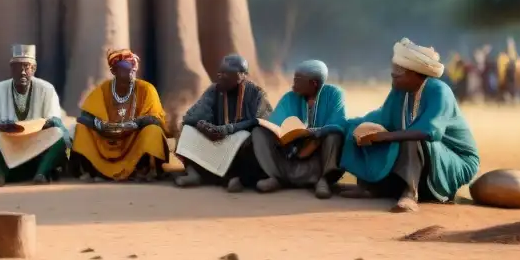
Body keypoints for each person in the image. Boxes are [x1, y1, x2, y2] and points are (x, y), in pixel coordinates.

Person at [340, 38, 480, 213]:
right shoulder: (400, 92)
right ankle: (369, 185)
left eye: (399, 70)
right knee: (364, 129)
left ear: (415, 73)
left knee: (411, 136)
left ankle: (409, 193)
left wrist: (386, 136)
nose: (393, 74)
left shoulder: (440, 91)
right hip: (421, 153)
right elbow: (382, 118)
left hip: (456, 160)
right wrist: (352, 126)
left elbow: (429, 131)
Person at [174, 54, 272, 192]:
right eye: (220, 73)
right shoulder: (214, 90)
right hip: (216, 138)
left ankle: (237, 178)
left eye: (227, 74)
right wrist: (203, 125)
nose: (221, 76)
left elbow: (263, 121)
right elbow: (192, 116)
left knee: (257, 137)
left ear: (242, 75)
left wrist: (230, 129)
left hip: (241, 141)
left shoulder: (256, 94)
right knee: (186, 130)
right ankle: (194, 174)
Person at [250, 60, 347, 199]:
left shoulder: (334, 94)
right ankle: (276, 177)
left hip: (318, 156)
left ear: (313, 83)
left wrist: (313, 132)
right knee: (259, 132)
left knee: (334, 135)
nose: (293, 83)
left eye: (298, 80)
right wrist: (282, 133)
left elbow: (339, 123)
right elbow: (276, 123)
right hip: (290, 154)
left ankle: (324, 181)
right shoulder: (289, 97)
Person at [0, 44, 70, 185]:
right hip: (8, 142)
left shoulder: (46, 89)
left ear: (34, 69)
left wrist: (36, 125)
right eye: (18, 67)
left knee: (58, 134)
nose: (23, 72)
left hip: (36, 143)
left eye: (27, 67)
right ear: (11, 69)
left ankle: (41, 174)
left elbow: (55, 121)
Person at [70, 49, 168, 182]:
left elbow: (155, 118)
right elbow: (85, 116)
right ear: (113, 71)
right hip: (106, 137)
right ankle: (95, 171)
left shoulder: (146, 88)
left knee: (153, 131)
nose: (131, 71)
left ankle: (140, 170)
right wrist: (101, 125)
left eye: (133, 67)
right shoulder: (104, 88)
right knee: (81, 129)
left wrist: (133, 124)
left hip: (133, 137)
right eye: (125, 68)